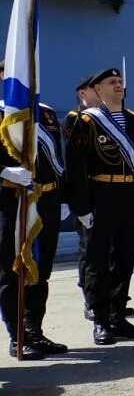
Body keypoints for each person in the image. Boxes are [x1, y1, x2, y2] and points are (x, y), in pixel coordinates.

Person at [66, 68, 134, 344]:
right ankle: (100, 320)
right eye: (111, 82)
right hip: (101, 194)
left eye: (120, 81)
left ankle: (117, 316)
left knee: (124, 259)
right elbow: (76, 167)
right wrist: (82, 207)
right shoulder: (84, 121)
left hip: (127, 193)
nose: (118, 85)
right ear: (98, 90)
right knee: (97, 261)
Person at [0, 67, 68, 358]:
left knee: (41, 268)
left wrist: (62, 196)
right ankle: (18, 336)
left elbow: (57, 158)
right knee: (13, 269)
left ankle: (34, 330)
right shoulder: (5, 111)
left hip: (47, 198)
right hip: (11, 199)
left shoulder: (45, 112)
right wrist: (3, 170)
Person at [63, 75, 100, 318]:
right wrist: (76, 203)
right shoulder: (76, 120)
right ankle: (91, 299)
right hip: (89, 196)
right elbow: (72, 165)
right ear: (82, 93)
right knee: (91, 251)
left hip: (112, 196)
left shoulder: (111, 119)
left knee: (111, 253)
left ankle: (109, 299)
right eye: (93, 88)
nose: (99, 92)